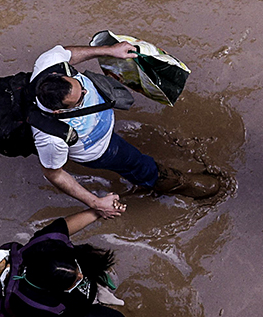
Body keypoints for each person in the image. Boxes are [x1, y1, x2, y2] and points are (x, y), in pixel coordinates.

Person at [29, 40, 220, 214]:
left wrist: (109, 50)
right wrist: (95, 203)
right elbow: (53, 174)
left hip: (100, 125)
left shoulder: (49, 63)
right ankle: (176, 183)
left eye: (80, 85)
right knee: (136, 164)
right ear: (58, 112)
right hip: (100, 150)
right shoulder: (50, 139)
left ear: (57, 75)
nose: (86, 92)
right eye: (80, 99)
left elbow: (67, 53)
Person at [0, 207, 132, 317]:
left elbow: (66, 224)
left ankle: (89, 292)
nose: (81, 277)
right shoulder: (42, 308)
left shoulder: (47, 242)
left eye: (77, 270)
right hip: (64, 311)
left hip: (67, 285)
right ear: (53, 290)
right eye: (74, 280)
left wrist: (99, 210)